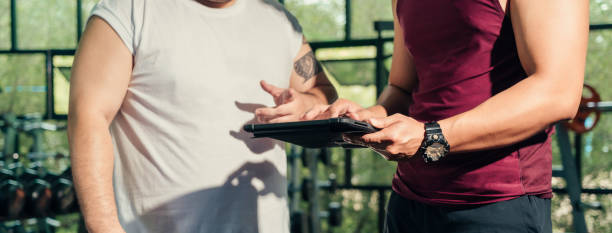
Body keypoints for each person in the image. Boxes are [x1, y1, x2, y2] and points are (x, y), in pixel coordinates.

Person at [301, 0, 588, 232]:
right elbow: (401, 88)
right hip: (407, 202)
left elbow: (557, 92)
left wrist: (430, 139)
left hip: (496, 204)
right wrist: (367, 116)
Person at [67, 0, 336, 232]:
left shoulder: (280, 22)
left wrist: (303, 103)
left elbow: (323, 93)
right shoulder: (129, 10)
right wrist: (105, 227)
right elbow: (89, 117)